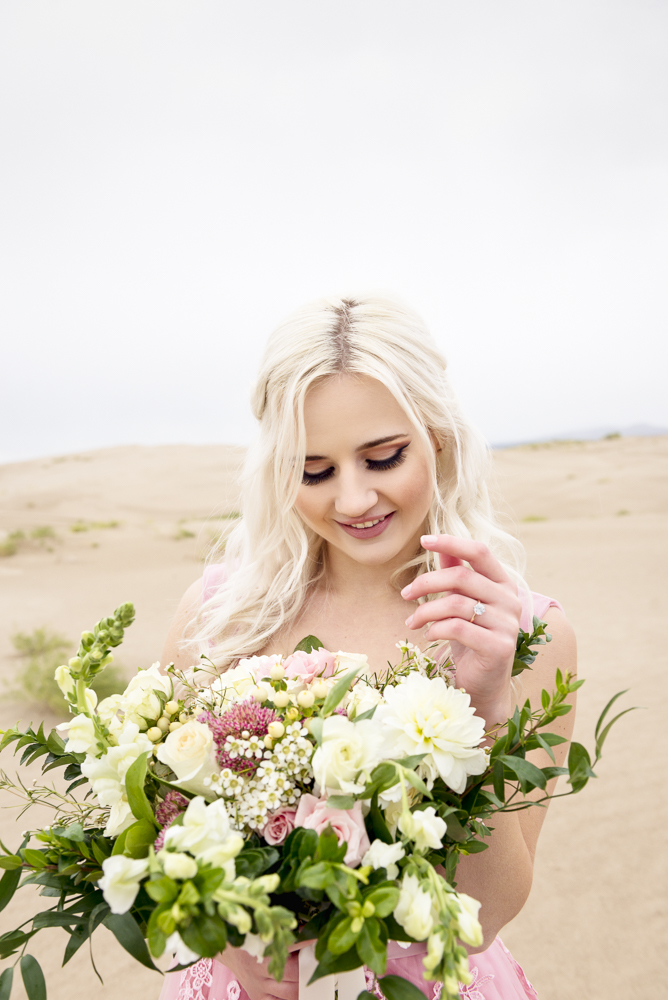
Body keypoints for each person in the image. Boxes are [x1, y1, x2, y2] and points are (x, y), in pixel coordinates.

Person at [158, 295, 576, 1000]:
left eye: (383, 457)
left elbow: (487, 911)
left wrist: (485, 702)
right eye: (313, 471)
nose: (353, 500)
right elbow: (154, 838)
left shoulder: (525, 634)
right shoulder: (220, 617)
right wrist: (228, 948)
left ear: (437, 435)